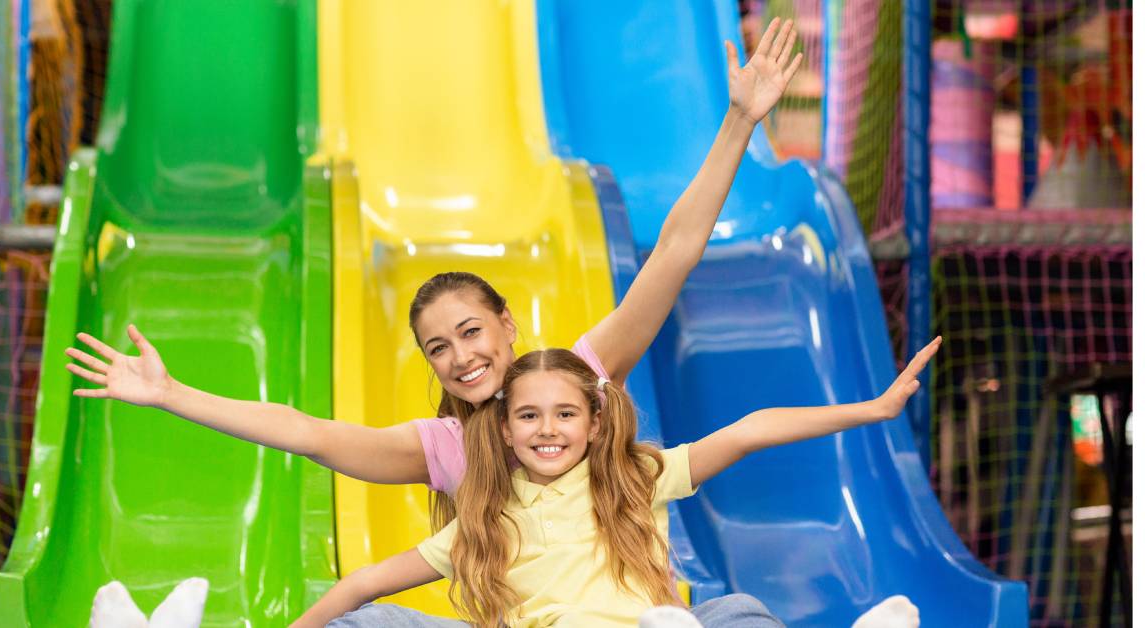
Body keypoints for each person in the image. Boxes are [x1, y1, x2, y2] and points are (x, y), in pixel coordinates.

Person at [65, 18, 806, 532]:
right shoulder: (444, 451)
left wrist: (739, 122)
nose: (461, 357)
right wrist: (171, 395)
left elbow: (673, 252)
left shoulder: (585, 373)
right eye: (438, 347)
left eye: (471, 331)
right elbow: (306, 433)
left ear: (508, 325)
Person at [293, 339, 941, 627]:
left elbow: (748, 431)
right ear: (506, 429)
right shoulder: (486, 518)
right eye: (529, 416)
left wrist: (872, 409)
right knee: (372, 621)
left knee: (741, 612)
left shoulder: (636, 477)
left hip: (648, 623)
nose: (549, 430)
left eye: (566, 414)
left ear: (596, 420)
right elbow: (365, 582)